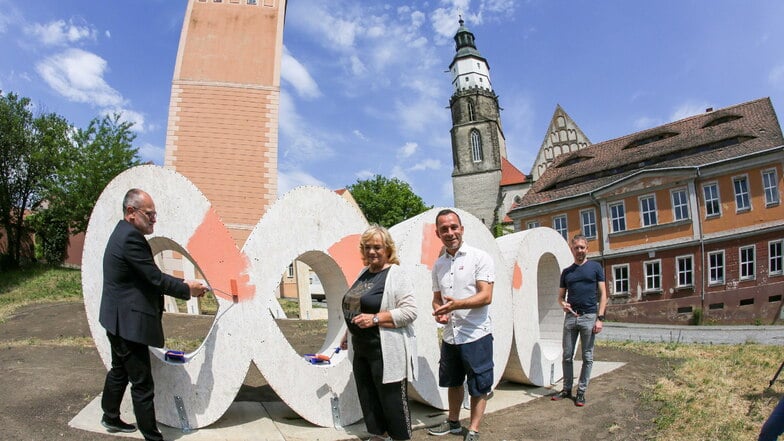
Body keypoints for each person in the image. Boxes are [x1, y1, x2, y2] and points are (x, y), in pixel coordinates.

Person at [99, 189, 207, 441]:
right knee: (142, 383)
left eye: (154, 214)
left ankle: (109, 416)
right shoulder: (131, 239)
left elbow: (145, 278)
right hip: (127, 323)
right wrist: (187, 289)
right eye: (149, 214)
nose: (154, 219)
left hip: (116, 317)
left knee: (119, 370)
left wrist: (183, 286)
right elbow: (155, 278)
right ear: (130, 212)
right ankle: (152, 437)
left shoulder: (123, 234)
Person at [341, 224, 418, 441]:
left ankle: (401, 438)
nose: (372, 252)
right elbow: (355, 305)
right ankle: (378, 436)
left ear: (387, 249)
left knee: (392, 400)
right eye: (367, 247)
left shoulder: (396, 274)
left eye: (377, 247)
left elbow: (410, 311)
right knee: (369, 396)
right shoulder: (364, 273)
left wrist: (375, 319)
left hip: (385, 348)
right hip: (362, 348)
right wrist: (347, 333)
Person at [427, 209, 494, 441]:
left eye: (454, 227)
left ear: (462, 229)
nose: (450, 232)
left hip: (476, 334)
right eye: (444, 229)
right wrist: (438, 310)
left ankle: (473, 429)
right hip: (450, 336)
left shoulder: (480, 257)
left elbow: (486, 296)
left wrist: (456, 306)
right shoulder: (438, 265)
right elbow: (437, 297)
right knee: (453, 382)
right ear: (438, 233)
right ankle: (453, 423)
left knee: (479, 384)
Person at [551, 234, 607, 407]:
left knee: (587, 357)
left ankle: (581, 391)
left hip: (589, 317)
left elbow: (603, 294)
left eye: (582, 247)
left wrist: (600, 318)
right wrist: (563, 304)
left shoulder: (595, 267)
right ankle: (567, 389)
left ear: (587, 248)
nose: (580, 250)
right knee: (567, 355)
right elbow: (560, 297)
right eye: (577, 248)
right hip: (570, 318)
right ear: (572, 249)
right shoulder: (567, 272)